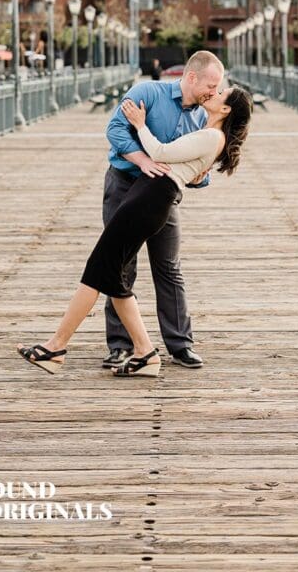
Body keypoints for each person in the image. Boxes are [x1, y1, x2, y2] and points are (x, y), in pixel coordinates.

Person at [17, 86, 253, 377]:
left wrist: (140, 124)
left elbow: (160, 152)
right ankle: (144, 353)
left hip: (151, 198)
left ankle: (56, 347)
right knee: (112, 276)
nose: (214, 93)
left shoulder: (211, 136)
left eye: (221, 93)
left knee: (99, 268)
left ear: (226, 109)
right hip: (149, 196)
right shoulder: (208, 133)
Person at [102, 51, 224, 370]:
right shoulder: (147, 92)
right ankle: (120, 344)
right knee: (121, 265)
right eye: (211, 84)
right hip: (125, 184)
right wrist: (142, 160)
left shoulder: (201, 118)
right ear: (192, 77)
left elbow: (197, 165)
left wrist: (201, 177)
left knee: (169, 267)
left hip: (162, 196)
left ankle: (180, 344)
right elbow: (115, 130)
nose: (214, 91)